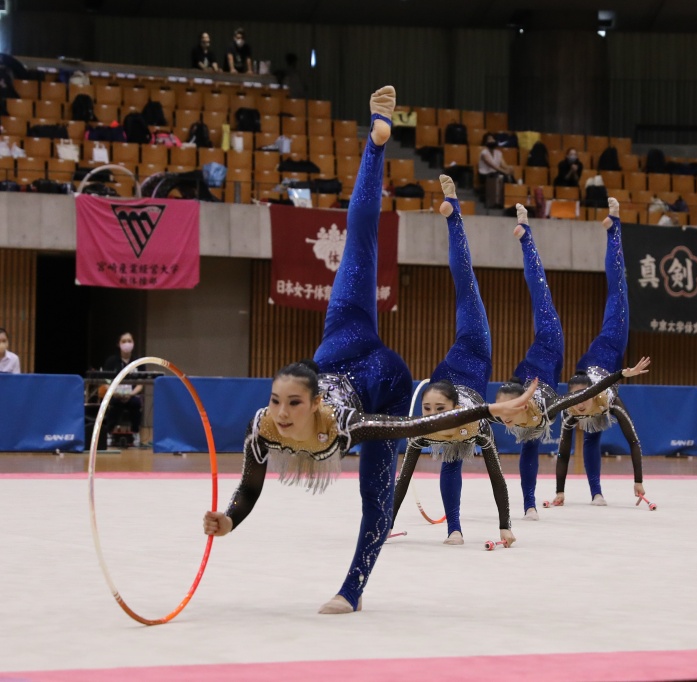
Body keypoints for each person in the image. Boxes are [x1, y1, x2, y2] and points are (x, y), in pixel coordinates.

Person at [201, 88, 537, 616]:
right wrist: (229, 519)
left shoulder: (347, 422)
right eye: (276, 400)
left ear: (313, 403)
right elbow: (249, 486)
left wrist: (490, 410)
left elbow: (412, 429)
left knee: (360, 244)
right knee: (359, 246)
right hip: (338, 349)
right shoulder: (263, 429)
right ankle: (382, 143)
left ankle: (352, 590)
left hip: (382, 377)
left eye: (292, 403)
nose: (281, 413)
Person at [494, 203, 651, 520]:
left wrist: (623, 373)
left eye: (508, 419)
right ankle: (613, 227)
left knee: (544, 297)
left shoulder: (554, 406)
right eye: (508, 421)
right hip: (593, 363)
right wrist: (623, 373)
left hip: (548, 355)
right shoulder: (555, 412)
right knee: (617, 295)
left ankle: (529, 237)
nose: (509, 425)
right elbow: (567, 440)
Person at [392, 176, 512, 547]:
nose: (429, 414)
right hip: (452, 376)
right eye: (427, 409)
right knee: (450, 456)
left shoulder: (475, 423)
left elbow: (496, 476)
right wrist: (382, 524)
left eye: (434, 409)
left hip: (472, 348)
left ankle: (453, 215)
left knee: (467, 284)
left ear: (455, 407)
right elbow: (404, 478)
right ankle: (454, 530)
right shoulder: (426, 424)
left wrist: (505, 526)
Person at [550, 198, 644, 507]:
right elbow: (564, 450)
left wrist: (638, 482)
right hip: (591, 369)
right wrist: (560, 491)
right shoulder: (577, 407)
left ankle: (614, 228)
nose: (576, 409)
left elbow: (632, 439)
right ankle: (596, 492)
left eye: (579, 403)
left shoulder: (609, 400)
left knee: (619, 291)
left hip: (608, 350)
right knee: (590, 432)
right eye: (576, 404)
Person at [101, 332, 143, 447]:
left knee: (136, 404)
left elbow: (141, 384)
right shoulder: (111, 361)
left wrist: (131, 394)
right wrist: (114, 393)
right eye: (124, 341)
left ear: (133, 344)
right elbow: (106, 382)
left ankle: (135, 433)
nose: (127, 344)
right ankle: (109, 433)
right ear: (118, 344)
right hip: (116, 395)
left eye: (129, 341)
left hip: (132, 395)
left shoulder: (139, 362)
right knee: (114, 405)